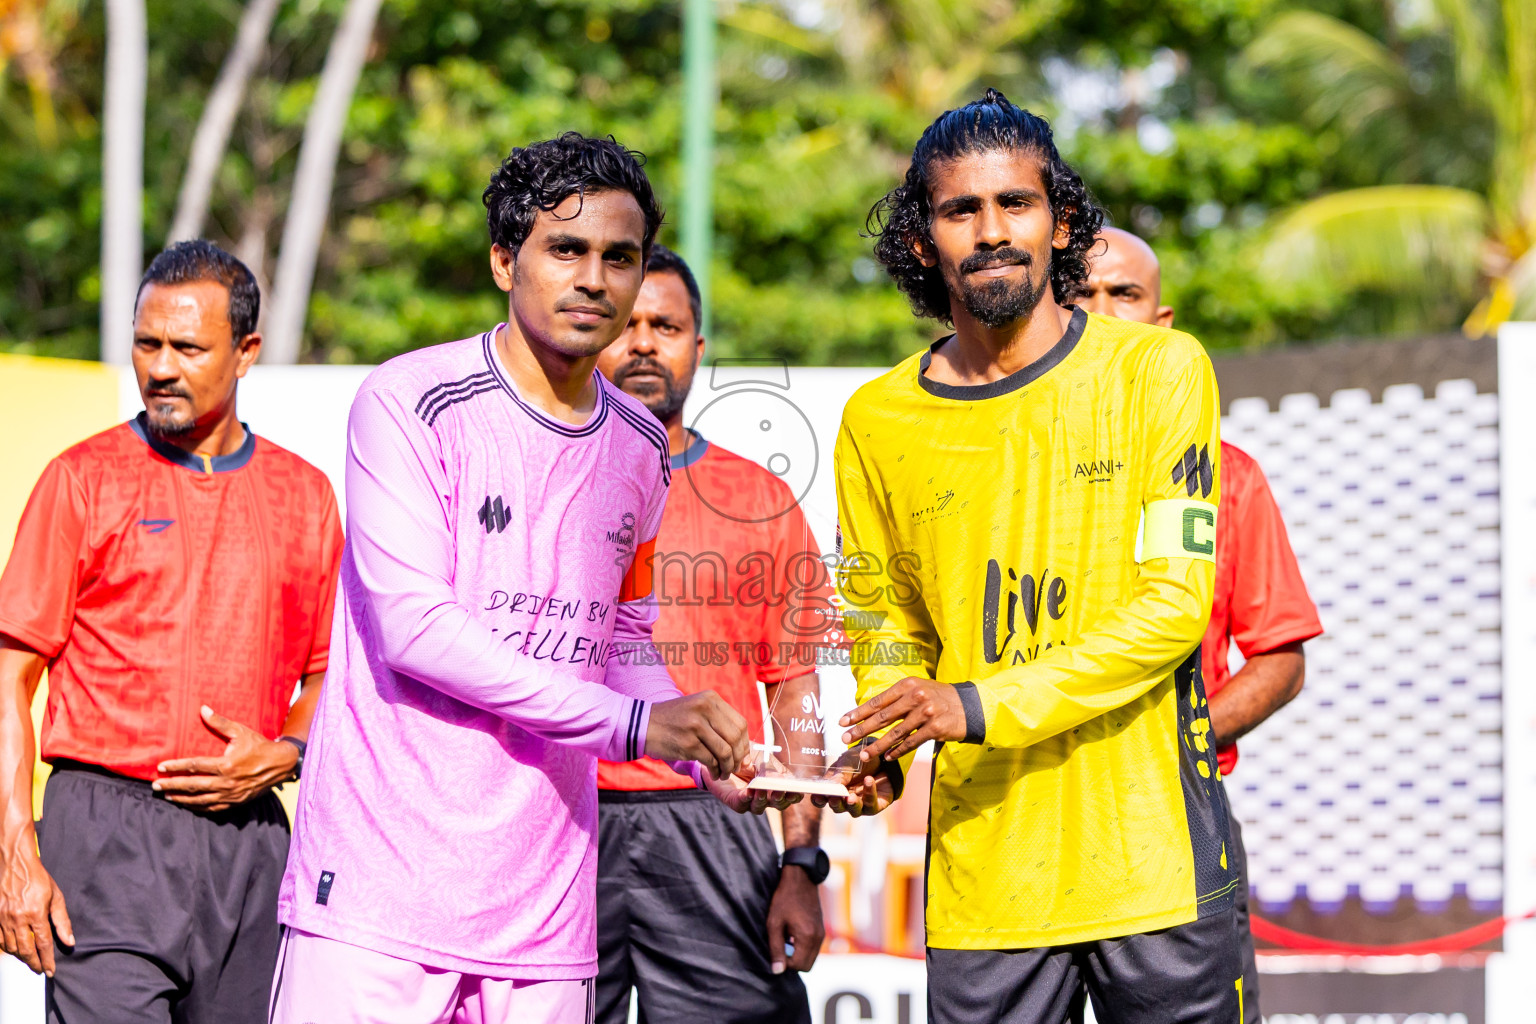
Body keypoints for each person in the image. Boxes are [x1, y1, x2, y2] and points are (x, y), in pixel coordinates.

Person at [270, 133, 784, 1024]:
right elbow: (417, 630)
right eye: (566, 250)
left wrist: (709, 756)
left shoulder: (637, 447)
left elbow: (619, 633)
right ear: (507, 260)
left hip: (545, 917)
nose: (594, 279)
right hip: (378, 901)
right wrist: (635, 725)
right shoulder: (406, 402)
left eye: (618, 258)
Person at [826, 90, 1241, 1023]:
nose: (993, 230)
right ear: (923, 240)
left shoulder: (1159, 373)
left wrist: (967, 706)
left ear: (1060, 223)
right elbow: (882, 618)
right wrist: (885, 740)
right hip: (986, 887)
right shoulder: (875, 418)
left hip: (1157, 869)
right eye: (960, 210)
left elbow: (1173, 610)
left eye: (1017, 202)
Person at [0, 240, 343, 1023]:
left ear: (247, 352)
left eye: (187, 346)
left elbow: (333, 674)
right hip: (106, 838)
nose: (160, 366)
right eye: (146, 343)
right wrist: (15, 849)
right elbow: (9, 674)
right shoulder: (81, 478)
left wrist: (284, 753)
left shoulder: (308, 495)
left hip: (252, 843)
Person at [1076, 225, 1324, 1024]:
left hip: (1174, 822)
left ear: (1163, 322)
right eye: (1082, 293)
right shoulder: (1003, 466)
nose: (1104, 311)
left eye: (1125, 294)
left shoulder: (1228, 475)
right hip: (1027, 821)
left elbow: (1280, 657)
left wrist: (1180, 735)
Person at [593, 245, 832, 1024]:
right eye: (625, 324)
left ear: (697, 348)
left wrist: (800, 861)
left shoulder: (757, 498)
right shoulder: (538, 482)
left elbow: (795, 691)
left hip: (709, 823)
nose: (642, 342)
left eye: (666, 325)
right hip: (561, 816)